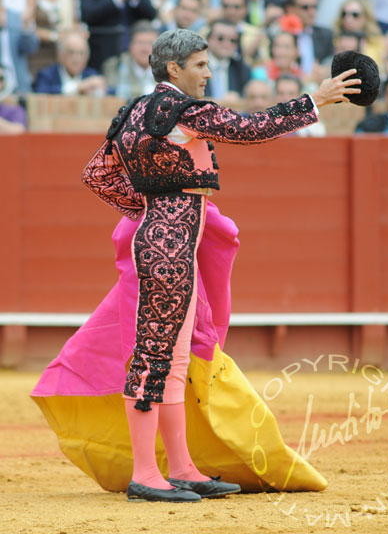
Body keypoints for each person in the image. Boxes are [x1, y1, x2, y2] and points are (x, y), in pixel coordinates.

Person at [32, 28, 361, 503]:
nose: (209, 72)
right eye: (201, 64)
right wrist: (316, 101)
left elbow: (96, 175)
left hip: (169, 239)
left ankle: (182, 466)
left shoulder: (135, 111)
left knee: (175, 358)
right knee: (154, 356)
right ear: (174, 69)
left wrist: (145, 210)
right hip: (170, 245)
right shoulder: (180, 110)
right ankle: (146, 472)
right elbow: (249, 128)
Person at [33, 32, 109, 96]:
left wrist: (99, 91)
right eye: (71, 52)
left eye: (81, 53)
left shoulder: (92, 75)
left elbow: (110, 92)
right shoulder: (46, 75)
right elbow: (40, 94)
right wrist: (78, 88)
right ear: (60, 55)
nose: (76, 59)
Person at [102, 21, 158, 98]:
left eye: (150, 43)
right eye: (140, 43)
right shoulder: (115, 65)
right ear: (130, 45)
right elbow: (113, 92)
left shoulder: (166, 68)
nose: (145, 49)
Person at [204, 18, 251, 101]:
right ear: (208, 40)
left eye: (233, 40)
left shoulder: (242, 69)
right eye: (220, 38)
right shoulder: (196, 66)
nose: (227, 44)